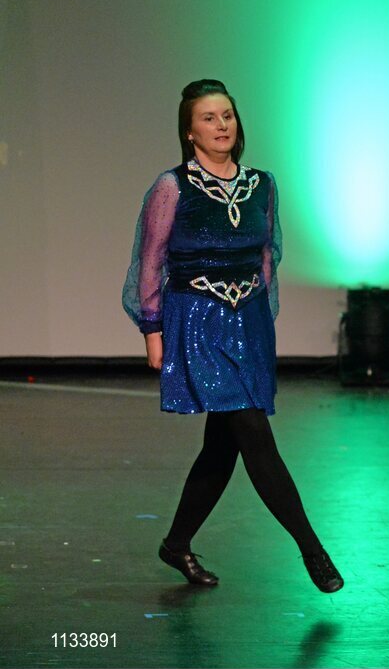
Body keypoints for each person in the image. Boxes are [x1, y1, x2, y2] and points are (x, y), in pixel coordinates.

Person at [122, 79, 342, 593]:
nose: (221, 125)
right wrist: (152, 331)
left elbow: (267, 255)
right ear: (189, 131)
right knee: (253, 433)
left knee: (223, 447)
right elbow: (150, 260)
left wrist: (261, 320)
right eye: (209, 118)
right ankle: (313, 550)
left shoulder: (262, 184)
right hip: (198, 322)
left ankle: (176, 543)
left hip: (248, 322)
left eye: (227, 115)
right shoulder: (172, 187)